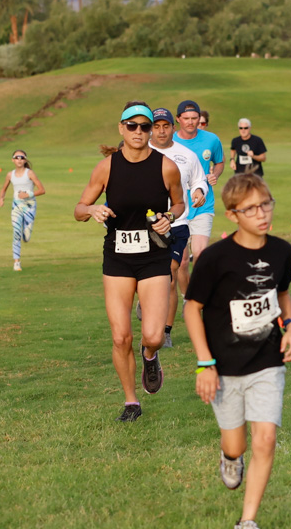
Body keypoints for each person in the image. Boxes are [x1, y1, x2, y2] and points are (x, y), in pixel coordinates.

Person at [183, 173, 291, 529]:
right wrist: (204, 362)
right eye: (251, 209)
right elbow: (191, 308)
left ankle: (247, 522)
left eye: (266, 204)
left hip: (267, 360)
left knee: (265, 439)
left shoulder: (281, 251)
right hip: (224, 367)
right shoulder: (215, 258)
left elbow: (282, 293)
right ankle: (230, 457)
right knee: (237, 445)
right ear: (233, 215)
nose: (262, 214)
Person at [74, 101, 185, 422]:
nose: (139, 132)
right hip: (118, 259)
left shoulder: (166, 167)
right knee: (120, 336)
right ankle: (131, 401)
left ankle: (150, 356)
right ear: (121, 128)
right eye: (132, 126)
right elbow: (79, 208)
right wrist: (92, 210)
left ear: (152, 131)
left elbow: (179, 204)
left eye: (145, 127)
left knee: (153, 336)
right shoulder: (107, 167)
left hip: (154, 255)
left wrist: (169, 216)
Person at [149, 107, 208, 348]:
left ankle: (166, 331)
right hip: (147, 223)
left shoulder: (186, 154)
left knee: (170, 276)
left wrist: (198, 191)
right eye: (156, 126)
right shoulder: (141, 153)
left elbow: (199, 179)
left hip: (178, 222)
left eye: (166, 126)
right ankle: (146, 302)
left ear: (174, 127)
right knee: (150, 276)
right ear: (150, 128)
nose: (161, 131)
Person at [173, 100, 224, 295]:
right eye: (186, 118)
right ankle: (188, 298)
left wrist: (215, 174)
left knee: (201, 255)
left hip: (203, 204)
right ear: (178, 119)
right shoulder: (170, 141)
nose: (191, 122)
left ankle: (197, 299)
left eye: (194, 118)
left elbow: (219, 162)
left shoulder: (211, 139)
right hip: (178, 208)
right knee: (183, 261)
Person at [0, 150, 45, 271]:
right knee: (16, 232)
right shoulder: (10, 174)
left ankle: (26, 234)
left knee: (26, 237)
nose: (19, 160)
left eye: (22, 157)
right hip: (16, 206)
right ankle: (16, 262)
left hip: (29, 206)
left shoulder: (30, 173)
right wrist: (1, 198)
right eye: (16, 157)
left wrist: (28, 194)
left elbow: (42, 190)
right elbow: (4, 188)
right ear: (13, 160)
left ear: (25, 160)